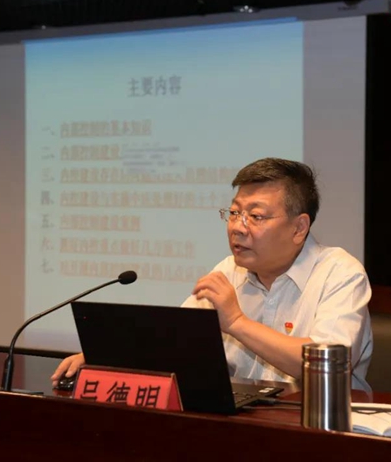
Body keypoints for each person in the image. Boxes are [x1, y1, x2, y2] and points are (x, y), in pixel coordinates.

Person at [52, 157, 373, 391]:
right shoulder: (228, 270)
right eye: (234, 213)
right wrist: (106, 357)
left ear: (299, 227)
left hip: (322, 430)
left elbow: (330, 365)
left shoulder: (339, 273)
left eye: (255, 216)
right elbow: (172, 342)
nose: (237, 227)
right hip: (240, 423)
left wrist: (236, 322)